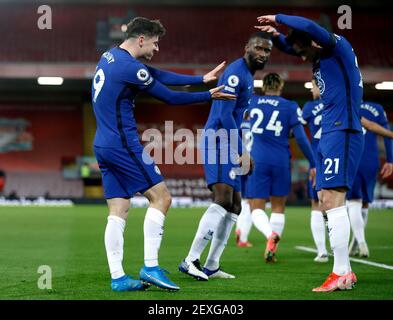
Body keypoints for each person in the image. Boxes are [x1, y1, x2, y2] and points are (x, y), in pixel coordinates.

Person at [92, 17, 235, 292]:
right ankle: (151, 266)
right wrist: (209, 95)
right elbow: (169, 96)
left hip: (103, 143)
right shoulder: (130, 67)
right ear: (142, 39)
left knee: (118, 209)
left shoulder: (110, 56)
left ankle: (119, 278)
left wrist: (200, 79)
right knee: (162, 198)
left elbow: (156, 74)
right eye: (155, 43)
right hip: (123, 144)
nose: (157, 48)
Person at [256, 13, 364, 292]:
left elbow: (309, 28)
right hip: (332, 131)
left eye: (304, 51)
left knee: (332, 200)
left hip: (343, 130)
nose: (301, 58)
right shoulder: (320, 54)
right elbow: (294, 44)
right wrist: (274, 35)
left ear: (315, 43)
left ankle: (340, 272)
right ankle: (344, 272)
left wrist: (279, 17)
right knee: (326, 199)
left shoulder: (336, 46)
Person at [179, 31, 273, 280]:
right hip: (219, 140)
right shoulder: (235, 73)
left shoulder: (248, 76)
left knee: (235, 205)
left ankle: (212, 264)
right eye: (259, 48)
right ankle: (190, 260)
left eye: (267, 51)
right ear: (247, 48)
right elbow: (223, 116)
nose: (262, 54)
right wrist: (241, 151)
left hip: (229, 142)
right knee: (222, 198)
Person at [303, 80, 393, 263]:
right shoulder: (365, 108)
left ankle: (337, 253)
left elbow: (298, 132)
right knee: (358, 202)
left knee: (330, 202)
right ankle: (354, 245)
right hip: (361, 157)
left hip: (333, 156)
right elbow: (369, 125)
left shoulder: (318, 107)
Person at [244, 73, 316, 263]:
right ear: (281, 86)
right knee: (278, 206)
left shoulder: (253, 102)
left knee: (256, 206)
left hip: (257, 159)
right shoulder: (290, 106)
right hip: (281, 160)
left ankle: (270, 234)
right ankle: (273, 249)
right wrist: (313, 162)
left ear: (263, 87)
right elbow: (300, 138)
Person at [347, 101, 393, 258]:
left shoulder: (344, 106)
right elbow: (386, 133)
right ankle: (355, 242)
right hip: (371, 160)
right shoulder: (377, 108)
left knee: (353, 201)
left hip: (352, 159)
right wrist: (390, 160)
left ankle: (361, 242)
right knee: (364, 202)